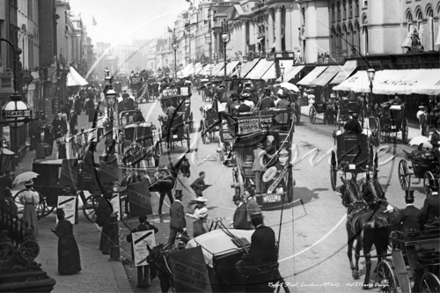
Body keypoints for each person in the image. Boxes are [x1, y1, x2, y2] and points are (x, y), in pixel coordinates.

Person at [236, 213, 279, 292]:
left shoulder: (255, 235)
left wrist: (245, 256)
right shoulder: (270, 230)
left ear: (252, 223)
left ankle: (246, 287)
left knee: (238, 265)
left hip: (261, 267)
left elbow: (253, 254)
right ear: (262, 221)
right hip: (272, 263)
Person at [126, 215, 158, 288]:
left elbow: (128, 239)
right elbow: (156, 230)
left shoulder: (135, 229)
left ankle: (140, 283)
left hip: (138, 252)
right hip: (147, 251)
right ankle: (146, 282)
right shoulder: (149, 228)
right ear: (145, 220)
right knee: (147, 266)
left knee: (139, 267)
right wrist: (148, 224)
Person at [51, 208, 81, 275]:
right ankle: (73, 269)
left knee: (64, 255)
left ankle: (65, 270)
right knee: (72, 254)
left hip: (63, 240)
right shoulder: (68, 222)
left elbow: (59, 234)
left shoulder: (60, 224)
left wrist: (54, 231)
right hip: (71, 239)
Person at [96, 190, 113, 255]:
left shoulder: (102, 200)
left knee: (104, 232)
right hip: (106, 220)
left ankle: (102, 246)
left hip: (101, 219)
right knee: (108, 234)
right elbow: (108, 212)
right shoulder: (107, 203)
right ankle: (106, 249)